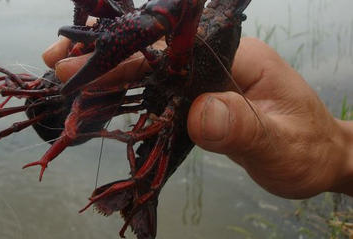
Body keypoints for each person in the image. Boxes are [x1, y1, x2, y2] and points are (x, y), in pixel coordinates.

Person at [42, 36, 353, 198]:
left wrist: (338, 154)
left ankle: (144, 193)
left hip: (164, 124)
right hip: (161, 109)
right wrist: (337, 153)